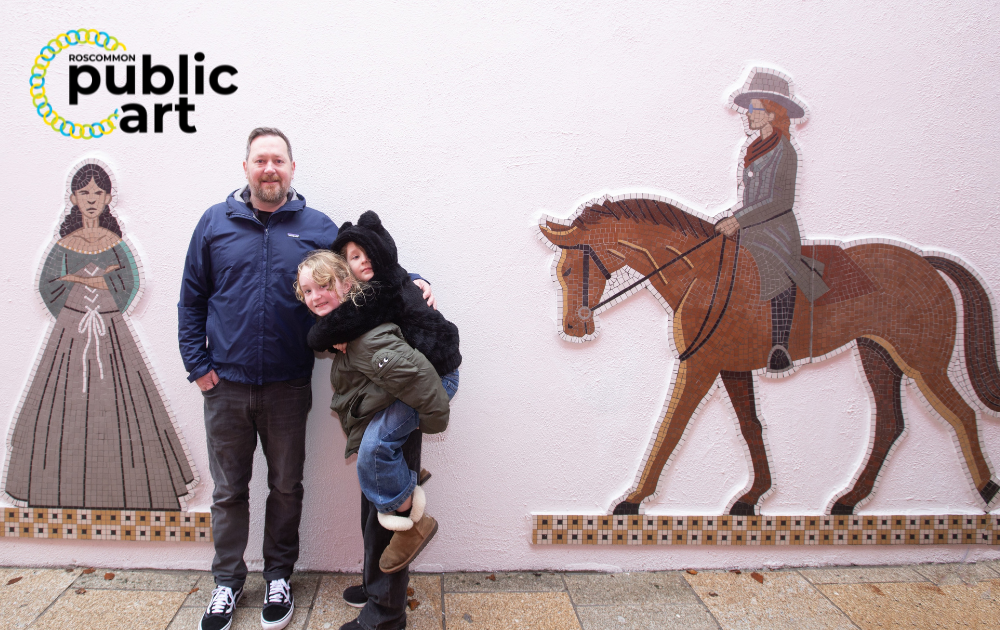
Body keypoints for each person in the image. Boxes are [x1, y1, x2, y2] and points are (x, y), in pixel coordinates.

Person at [178, 128, 435, 630]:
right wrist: (198, 367)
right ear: (246, 167)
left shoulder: (315, 226)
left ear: (292, 168)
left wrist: (414, 279)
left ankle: (278, 576)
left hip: (288, 385)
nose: (269, 169)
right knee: (228, 491)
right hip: (224, 385)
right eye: (260, 160)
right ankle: (227, 583)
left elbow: (364, 269)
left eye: (278, 160)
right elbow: (192, 298)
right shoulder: (213, 223)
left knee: (285, 486)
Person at [5, 160, 195, 511]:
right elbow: (49, 287)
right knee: (62, 410)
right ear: (74, 198)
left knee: (125, 408)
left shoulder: (116, 243)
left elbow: (129, 283)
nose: (91, 198)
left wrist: (79, 280)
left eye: (98, 192)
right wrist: (94, 281)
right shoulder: (65, 244)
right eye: (84, 192)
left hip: (112, 333)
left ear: (108, 197)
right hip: (69, 334)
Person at [305, 212, 461, 630]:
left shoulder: (367, 325)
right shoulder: (359, 310)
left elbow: (419, 378)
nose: (318, 296)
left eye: (364, 254)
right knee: (374, 498)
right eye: (351, 258)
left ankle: (384, 617)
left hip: (414, 395)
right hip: (395, 397)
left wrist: (432, 418)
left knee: (381, 494)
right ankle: (377, 588)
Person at [714, 71, 829, 372]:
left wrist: (738, 220)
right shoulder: (754, 149)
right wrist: (737, 222)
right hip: (751, 227)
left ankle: (780, 345)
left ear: (772, 113)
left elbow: (781, 201)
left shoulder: (785, 151)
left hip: (777, 231)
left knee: (776, 269)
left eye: (754, 109)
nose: (748, 114)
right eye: (749, 109)